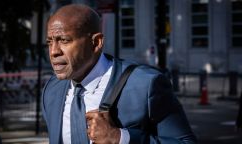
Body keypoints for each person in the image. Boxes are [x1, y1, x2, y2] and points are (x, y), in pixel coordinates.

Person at [42, 4, 197, 144]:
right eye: (50, 42)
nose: (54, 51)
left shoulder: (146, 84)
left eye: (64, 40)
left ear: (96, 43)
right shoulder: (52, 89)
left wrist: (120, 138)